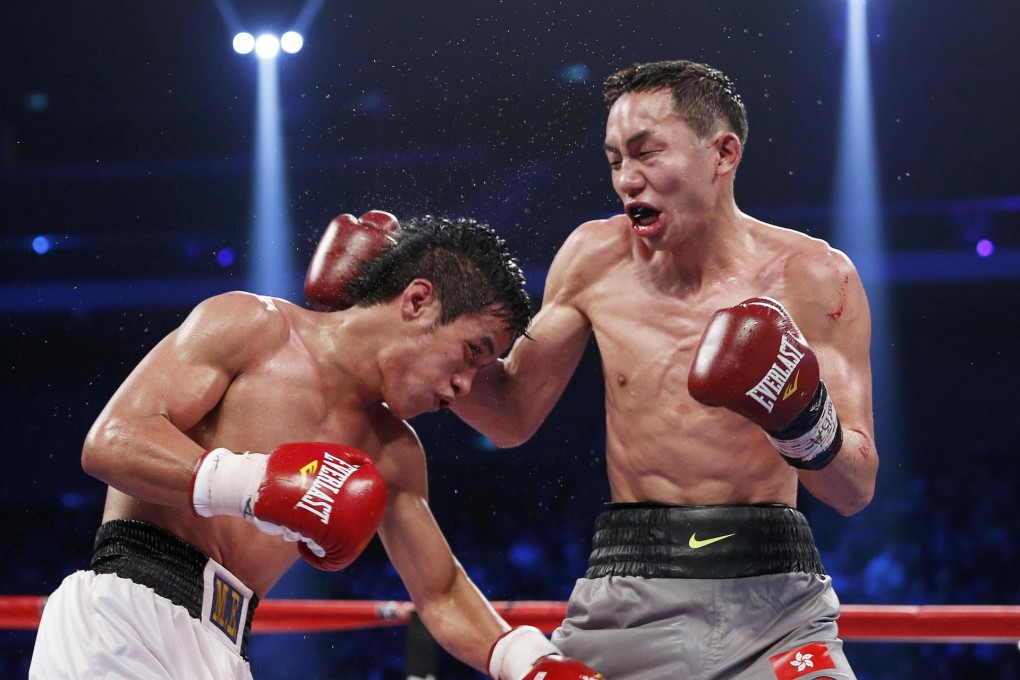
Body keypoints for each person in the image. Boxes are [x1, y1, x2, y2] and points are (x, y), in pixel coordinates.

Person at [29, 212, 603, 680]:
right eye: (472, 352)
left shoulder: (393, 450)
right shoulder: (252, 327)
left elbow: (442, 591)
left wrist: (527, 663)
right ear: (418, 301)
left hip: (223, 647)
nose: (464, 386)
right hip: (126, 610)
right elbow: (111, 442)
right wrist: (259, 485)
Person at [452, 60, 879, 679]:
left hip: (775, 602)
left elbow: (855, 489)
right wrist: (435, 344)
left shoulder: (813, 277)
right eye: (615, 160)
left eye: (647, 153)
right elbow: (511, 416)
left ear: (723, 153)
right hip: (626, 598)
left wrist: (799, 419)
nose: (628, 179)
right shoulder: (593, 257)